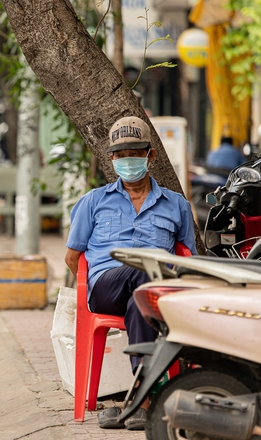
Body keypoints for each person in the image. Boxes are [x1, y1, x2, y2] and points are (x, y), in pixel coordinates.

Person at [64, 116, 197, 431]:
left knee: (140, 299)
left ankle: (141, 400)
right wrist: (89, 287)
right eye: (121, 155)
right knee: (141, 273)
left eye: (135, 153)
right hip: (105, 289)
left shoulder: (176, 205)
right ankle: (147, 396)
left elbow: (188, 258)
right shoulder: (93, 203)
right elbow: (72, 258)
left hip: (153, 295)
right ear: (111, 158)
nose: (128, 160)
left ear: (150, 155)